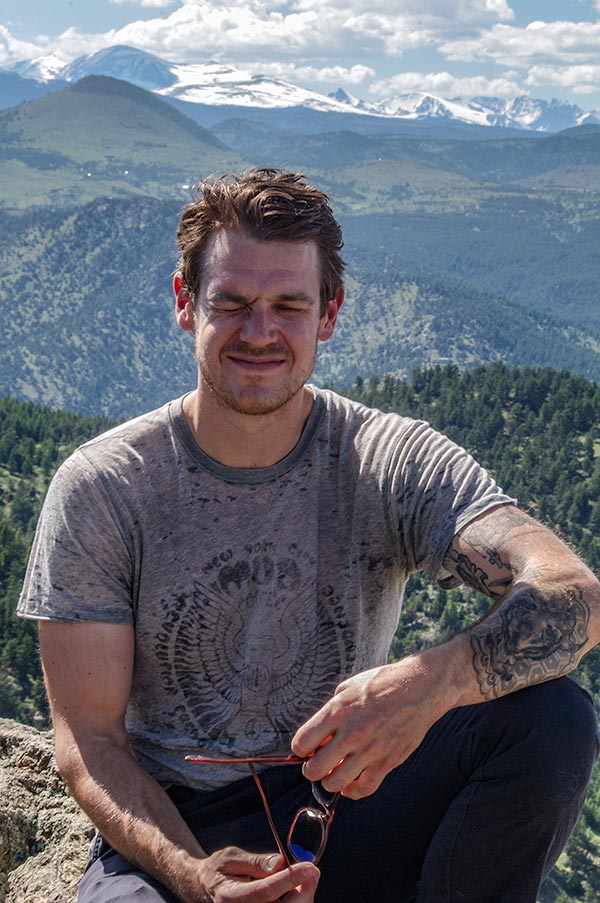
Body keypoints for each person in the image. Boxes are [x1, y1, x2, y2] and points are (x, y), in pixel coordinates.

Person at [18, 167, 599, 903]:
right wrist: (192, 873)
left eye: (289, 305)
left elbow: (572, 592)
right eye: (232, 303)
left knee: (553, 720)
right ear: (184, 302)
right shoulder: (104, 487)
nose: (259, 332)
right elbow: (90, 743)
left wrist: (433, 681)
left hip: (347, 791)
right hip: (176, 819)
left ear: (329, 314)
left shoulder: (390, 458)